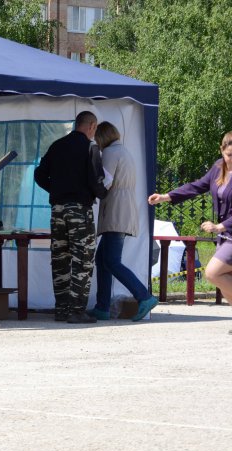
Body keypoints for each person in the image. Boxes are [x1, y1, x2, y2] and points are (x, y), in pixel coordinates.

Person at [148, 131, 232, 331]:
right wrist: (165, 196)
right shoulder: (217, 169)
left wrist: (220, 226)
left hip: (228, 233)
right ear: (221, 151)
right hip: (225, 237)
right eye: (229, 155)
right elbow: (195, 187)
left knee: (212, 273)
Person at [34, 111, 108, 323]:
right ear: (92, 126)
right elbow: (96, 181)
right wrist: (104, 193)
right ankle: (77, 311)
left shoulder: (57, 145)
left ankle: (62, 309)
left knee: (60, 259)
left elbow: (39, 174)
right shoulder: (90, 147)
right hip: (79, 210)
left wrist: (56, 190)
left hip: (57, 210)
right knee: (83, 259)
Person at [89, 121, 159, 321]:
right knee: (103, 260)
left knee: (110, 261)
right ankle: (102, 307)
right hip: (124, 209)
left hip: (115, 211)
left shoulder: (110, 153)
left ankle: (144, 296)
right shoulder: (125, 151)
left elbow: (106, 182)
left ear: (102, 137)